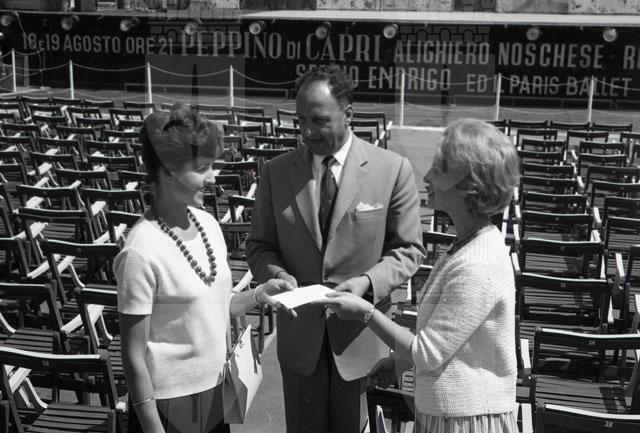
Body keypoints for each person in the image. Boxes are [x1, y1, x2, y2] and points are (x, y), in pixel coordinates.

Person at [246, 65, 425, 433]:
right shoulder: (276, 172)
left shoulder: (392, 169)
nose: (307, 131)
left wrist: (366, 283)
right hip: (299, 343)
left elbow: (408, 249)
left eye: (319, 120)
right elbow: (260, 245)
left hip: (361, 344)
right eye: (300, 120)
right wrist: (277, 276)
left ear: (349, 114)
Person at [317, 118, 520, 433]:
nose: (427, 177)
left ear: (469, 187)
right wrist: (401, 363)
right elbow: (447, 340)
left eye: (439, 170)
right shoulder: (468, 244)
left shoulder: (476, 264)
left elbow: (427, 352)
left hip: (464, 422)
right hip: (451, 416)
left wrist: (365, 313)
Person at [116, 103, 293, 433]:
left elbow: (215, 307)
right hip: (168, 408)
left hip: (216, 396)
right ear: (168, 172)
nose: (213, 178)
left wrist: (259, 294)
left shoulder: (208, 224)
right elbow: (133, 356)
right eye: (201, 168)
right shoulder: (140, 251)